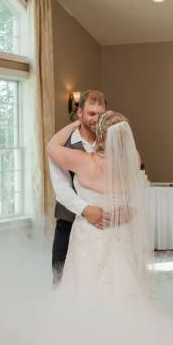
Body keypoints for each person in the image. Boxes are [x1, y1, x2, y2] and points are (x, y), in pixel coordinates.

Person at [47, 111, 154, 300]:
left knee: (84, 289)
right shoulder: (134, 160)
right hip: (122, 233)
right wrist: (130, 209)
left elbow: (51, 146)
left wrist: (78, 123)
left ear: (101, 135)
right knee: (124, 287)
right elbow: (137, 194)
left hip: (90, 234)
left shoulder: (83, 161)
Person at [49, 90, 107, 285]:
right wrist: (86, 210)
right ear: (80, 112)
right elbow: (61, 187)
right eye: (91, 113)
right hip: (69, 221)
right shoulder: (63, 146)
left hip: (104, 225)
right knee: (62, 279)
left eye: (101, 114)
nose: (96, 119)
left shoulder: (111, 142)